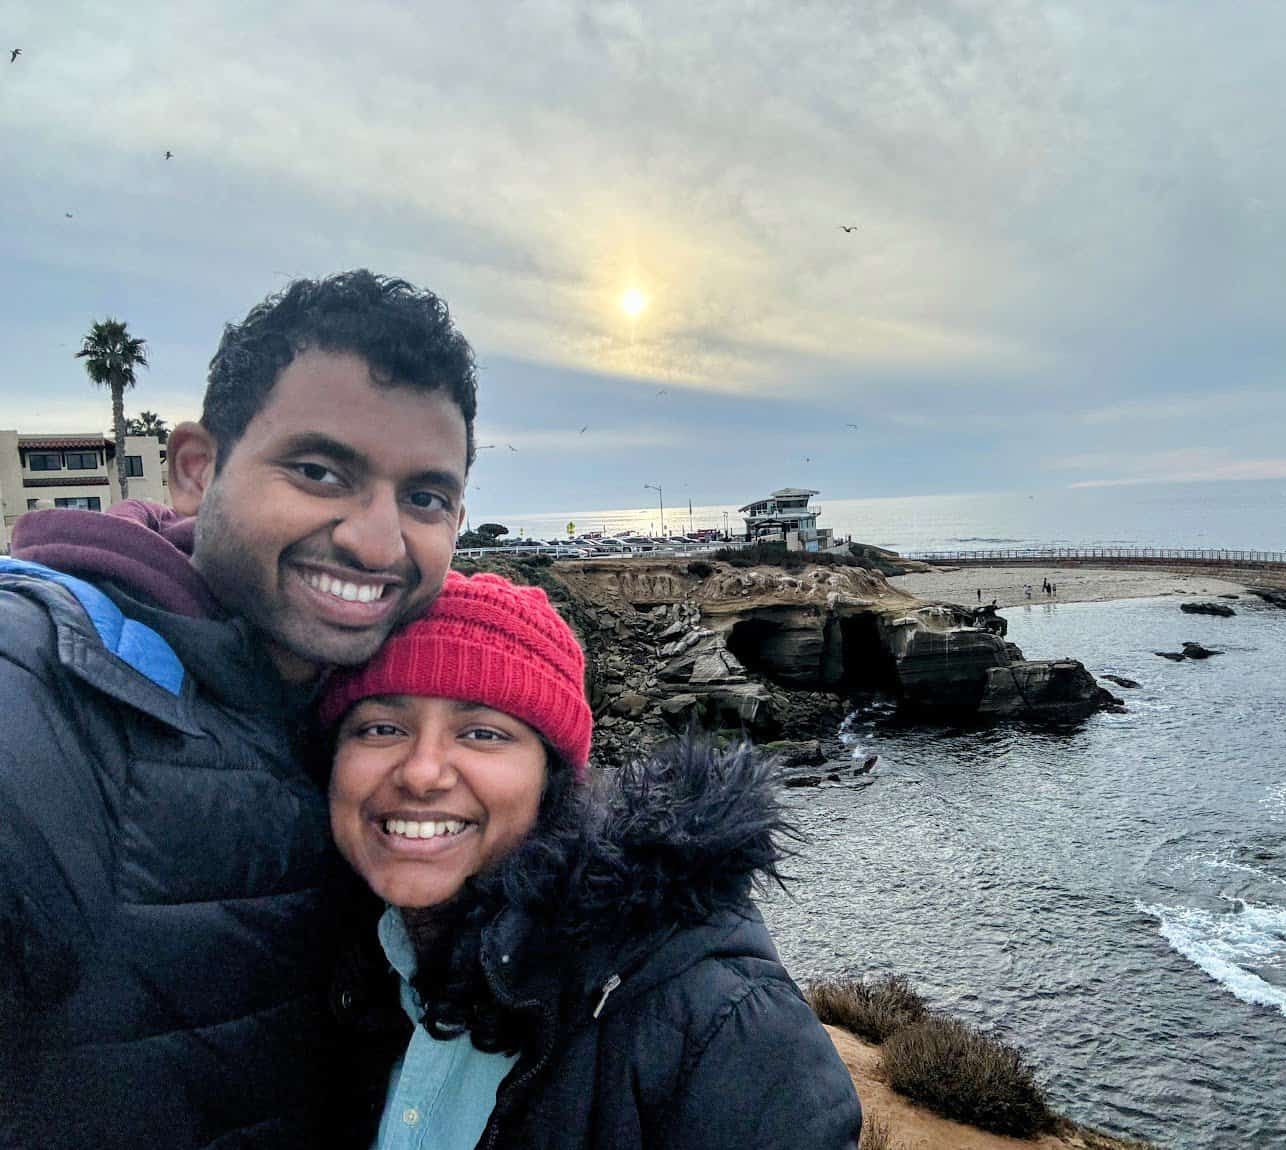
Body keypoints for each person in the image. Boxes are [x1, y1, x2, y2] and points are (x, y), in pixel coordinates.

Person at [0, 270, 477, 1147]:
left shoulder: (379, 708)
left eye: (424, 497)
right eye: (320, 470)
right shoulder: (45, 682)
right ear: (196, 469)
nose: (377, 541)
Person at [324, 571, 862, 1149]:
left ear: (553, 781)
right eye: (381, 727)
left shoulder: (714, 1023)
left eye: (483, 732)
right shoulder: (307, 974)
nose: (423, 772)